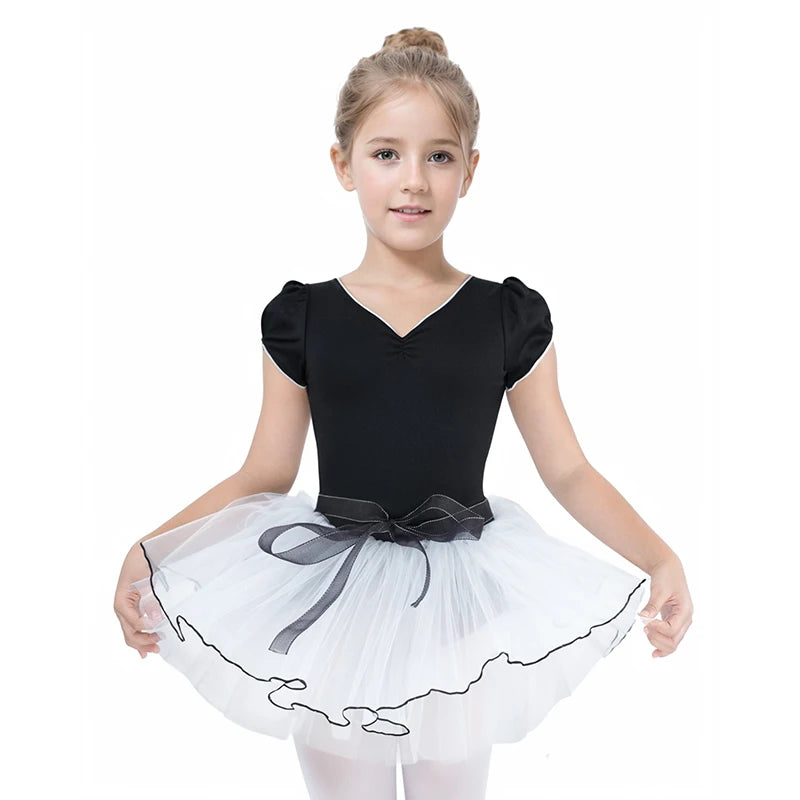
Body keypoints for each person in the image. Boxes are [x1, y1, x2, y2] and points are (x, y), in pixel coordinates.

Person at [113, 26, 694, 800]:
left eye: (439, 156)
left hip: (461, 609)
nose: (413, 180)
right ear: (343, 164)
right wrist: (149, 551)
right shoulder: (303, 319)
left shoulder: (507, 317)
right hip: (336, 608)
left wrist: (660, 558)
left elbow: (568, 470)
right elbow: (265, 472)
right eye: (386, 153)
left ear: (471, 170)